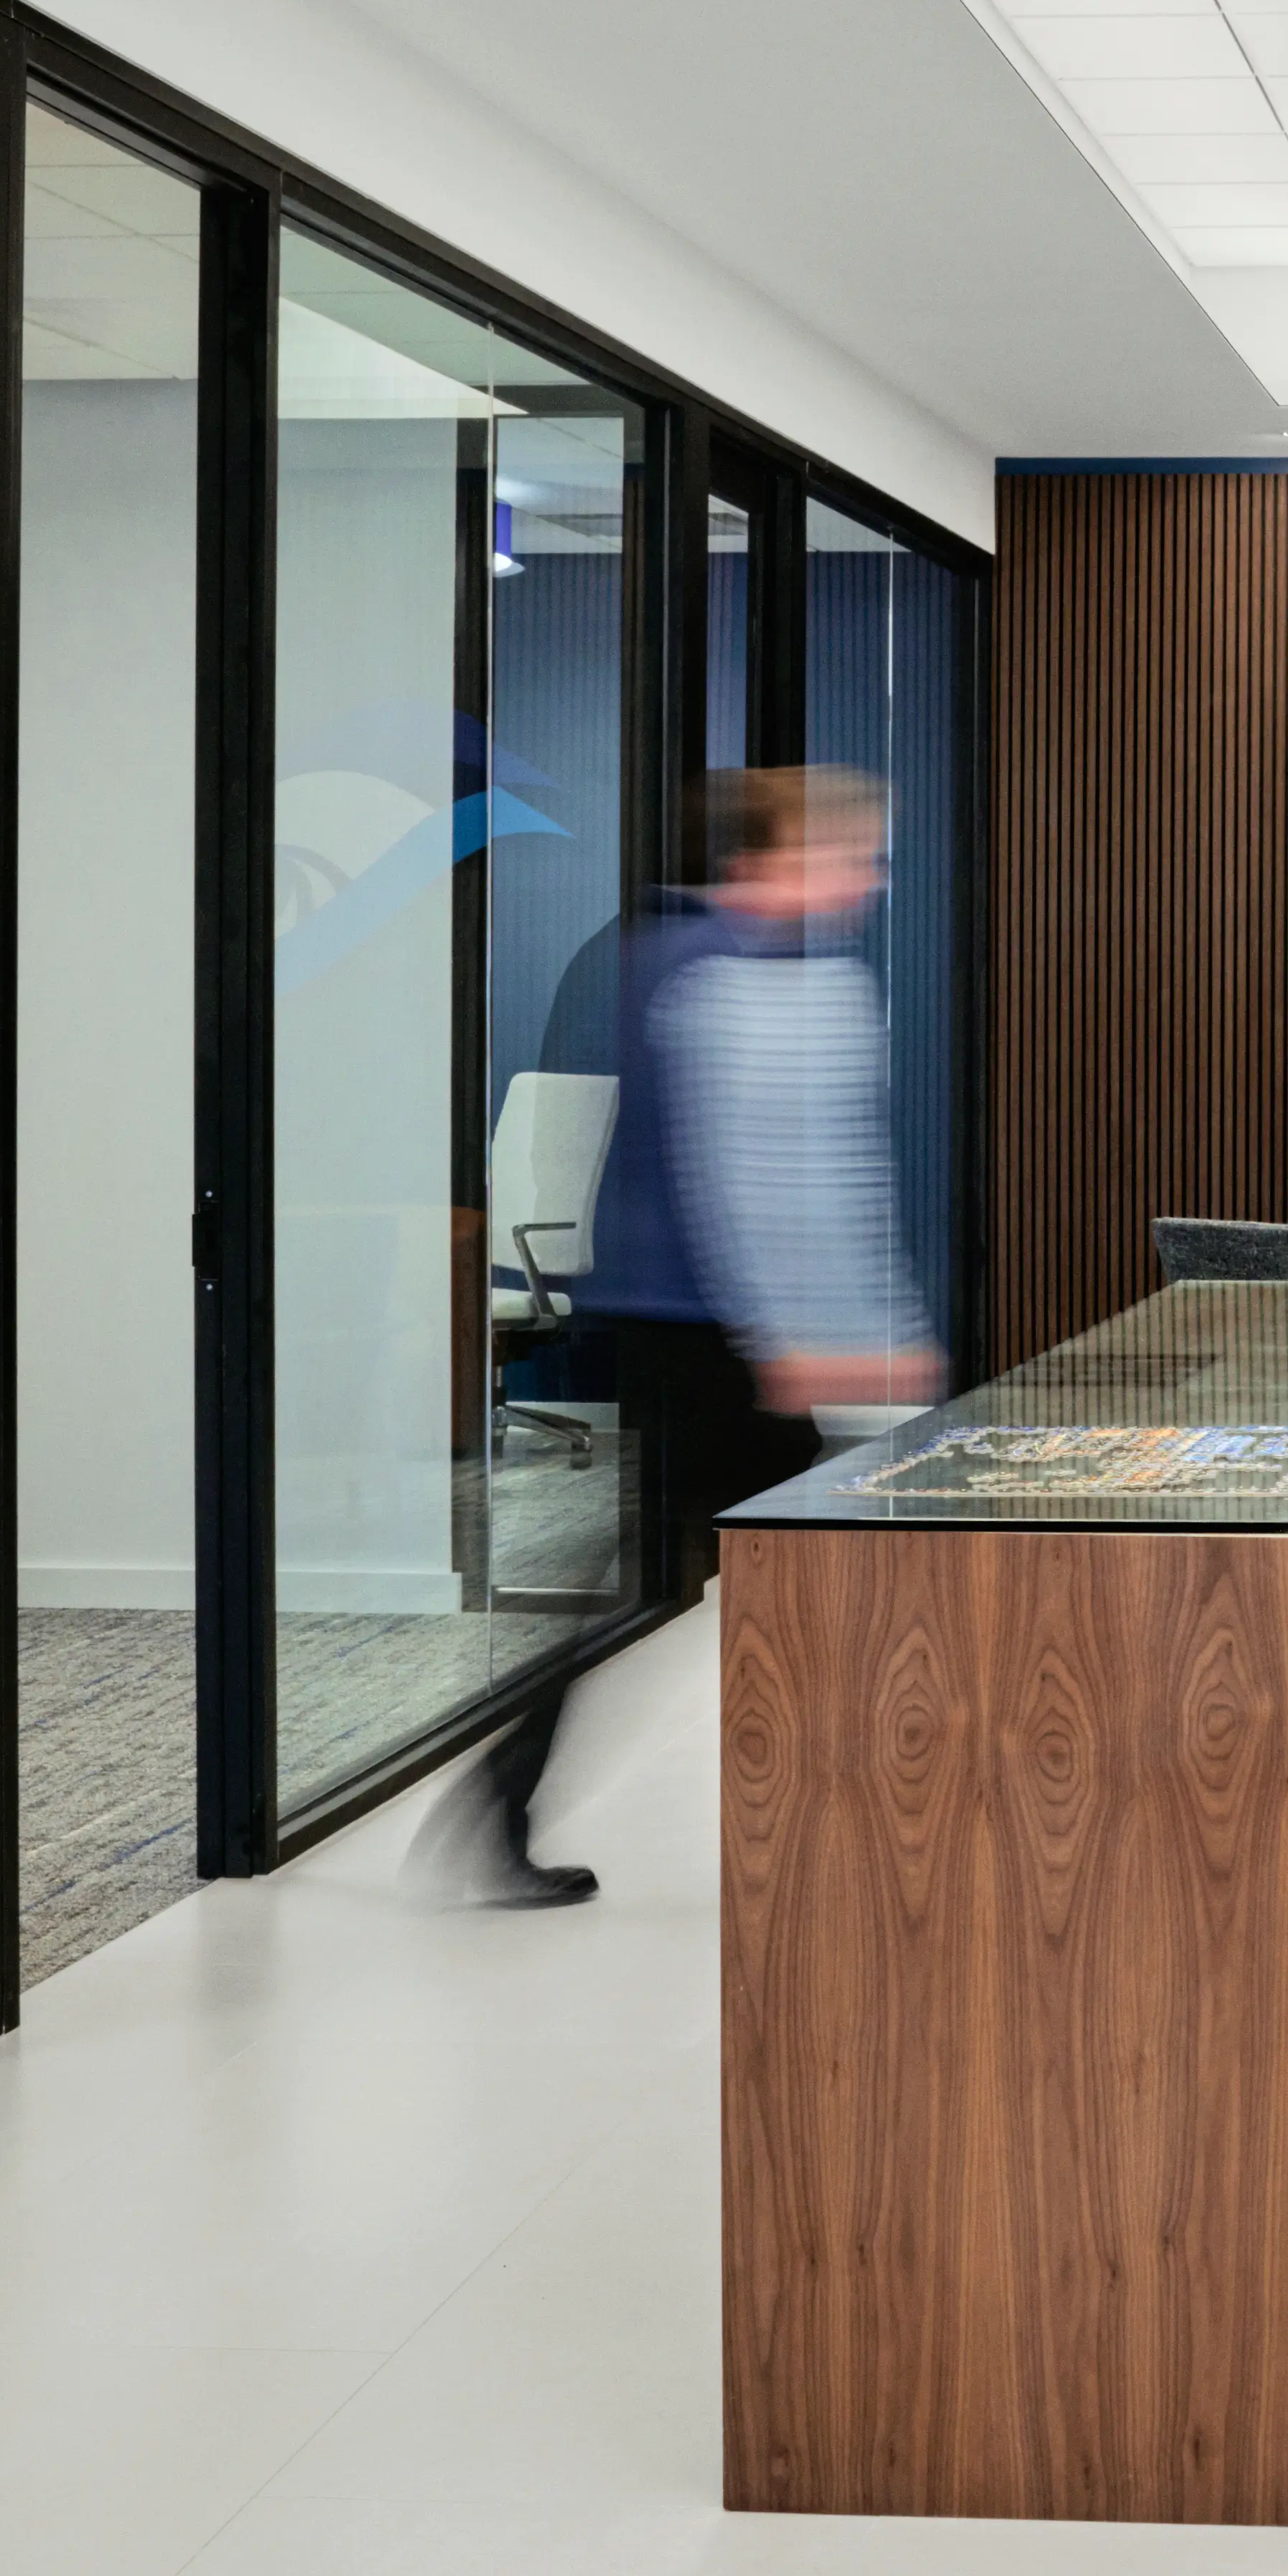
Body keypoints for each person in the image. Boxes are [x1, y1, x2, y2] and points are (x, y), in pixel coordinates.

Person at [428, 763, 940, 1905]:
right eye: (848, 851)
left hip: (681, 1324)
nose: (870, 874)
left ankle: (504, 1801)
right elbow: (766, 1184)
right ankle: (847, 1812)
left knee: (669, 1576)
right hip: (720, 1336)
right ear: (769, 863)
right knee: (689, 1576)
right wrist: (824, 1341)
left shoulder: (671, 959)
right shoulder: (750, 984)